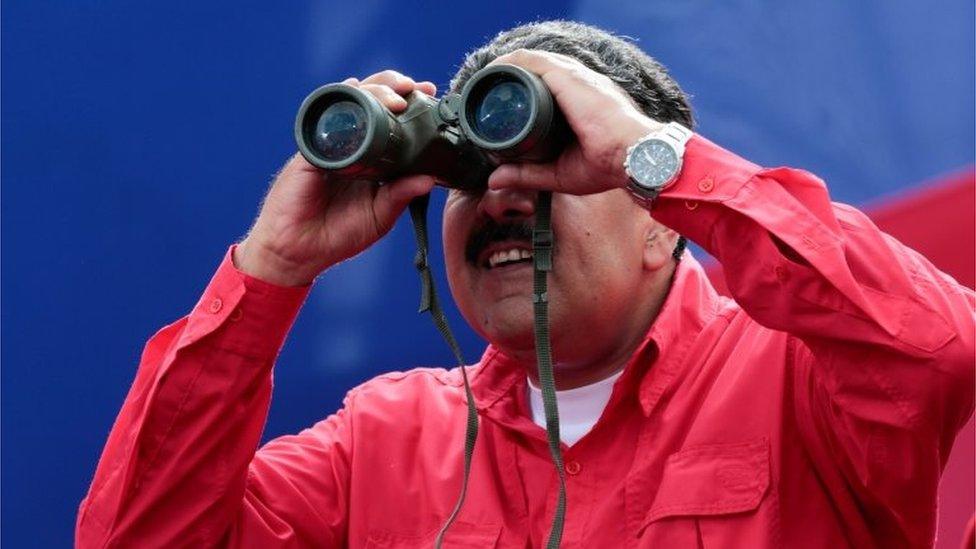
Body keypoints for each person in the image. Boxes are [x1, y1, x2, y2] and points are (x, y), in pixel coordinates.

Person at [76, 21, 974, 548]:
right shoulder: (384, 440)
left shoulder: (802, 377)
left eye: (553, 169)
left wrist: (646, 152)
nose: (502, 195)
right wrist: (271, 266)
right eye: (468, 172)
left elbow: (939, 350)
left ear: (663, 216)